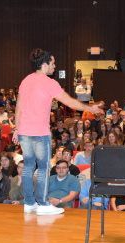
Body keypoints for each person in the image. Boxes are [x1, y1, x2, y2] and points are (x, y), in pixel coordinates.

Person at [13, 48, 103, 216]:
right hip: (40, 133)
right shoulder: (49, 83)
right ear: (45, 64)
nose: (55, 66)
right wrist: (91, 108)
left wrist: (17, 129)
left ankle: (29, 203)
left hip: (24, 132)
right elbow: (70, 102)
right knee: (43, 168)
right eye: (53, 63)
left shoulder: (26, 80)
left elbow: (19, 107)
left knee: (28, 167)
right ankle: (42, 204)